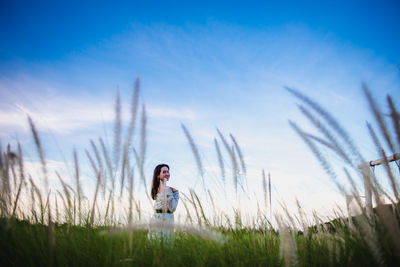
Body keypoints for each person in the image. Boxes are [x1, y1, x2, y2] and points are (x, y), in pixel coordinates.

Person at [148, 164, 179, 242]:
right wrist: (176, 193)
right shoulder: (167, 189)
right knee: (165, 244)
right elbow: (172, 207)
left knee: (155, 244)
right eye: (164, 172)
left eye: (168, 171)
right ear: (158, 175)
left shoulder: (158, 188)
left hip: (158, 217)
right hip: (164, 218)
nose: (167, 174)